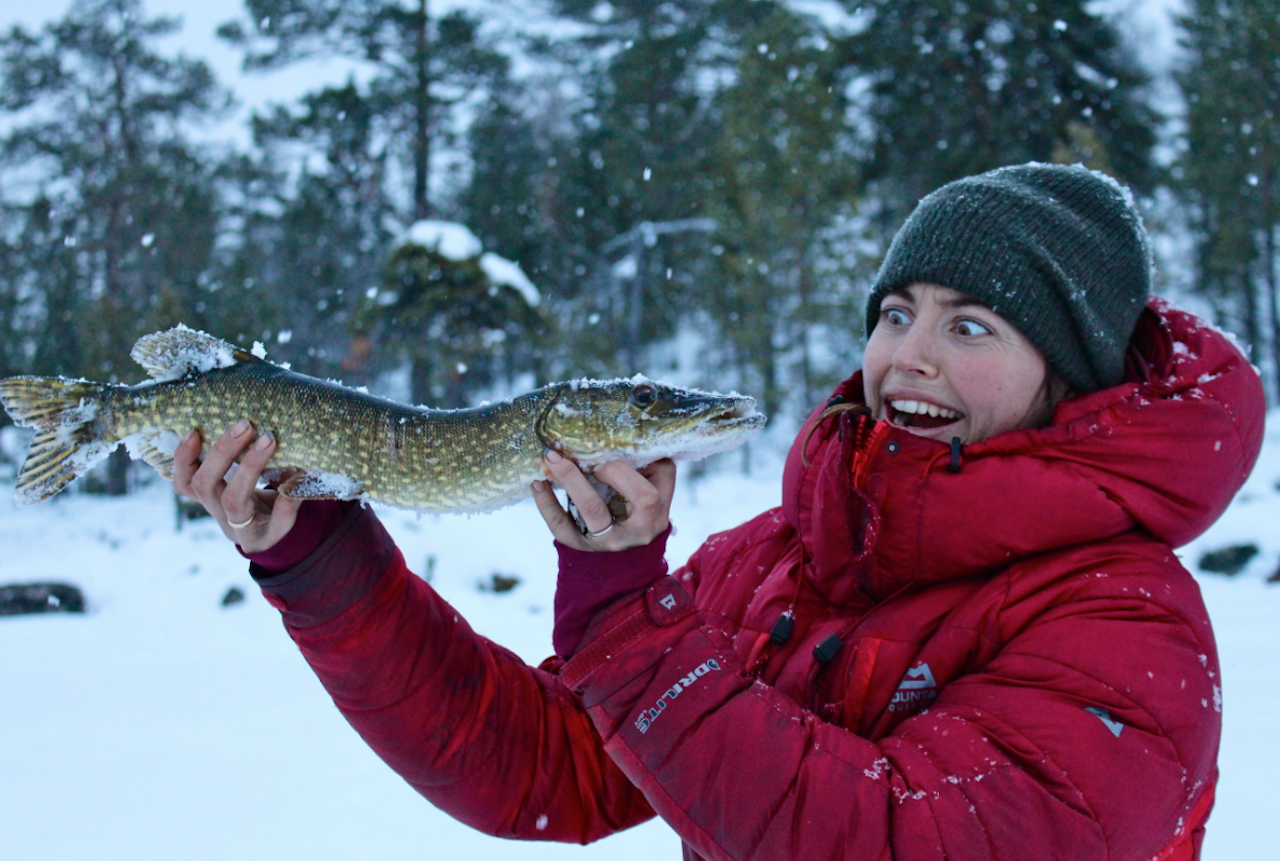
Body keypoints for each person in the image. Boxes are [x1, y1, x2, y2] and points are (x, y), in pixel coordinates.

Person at [174, 163, 1264, 861]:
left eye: (971, 326)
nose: (907, 355)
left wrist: (627, 628)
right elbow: (544, 770)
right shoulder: (780, 562)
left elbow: (895, 843)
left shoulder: (1124, 624)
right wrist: (316, 552)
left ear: (1064, 376)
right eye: (894, 312)